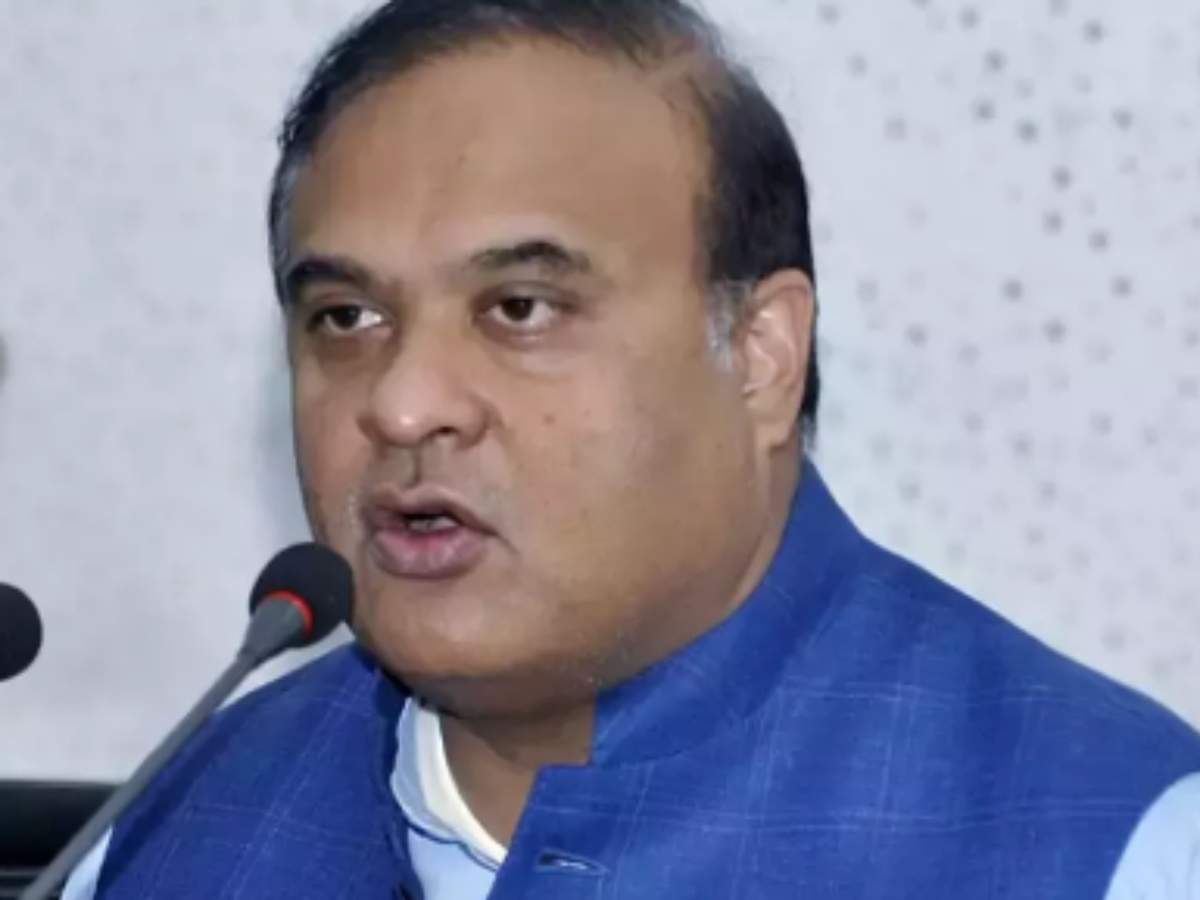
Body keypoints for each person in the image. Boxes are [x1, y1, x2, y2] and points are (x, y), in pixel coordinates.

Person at [65, 1, 1200, 897]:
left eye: (520, 308)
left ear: (761, 356)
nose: (404, 405)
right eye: (346, 318)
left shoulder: (1116, 844)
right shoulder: (166, 834)